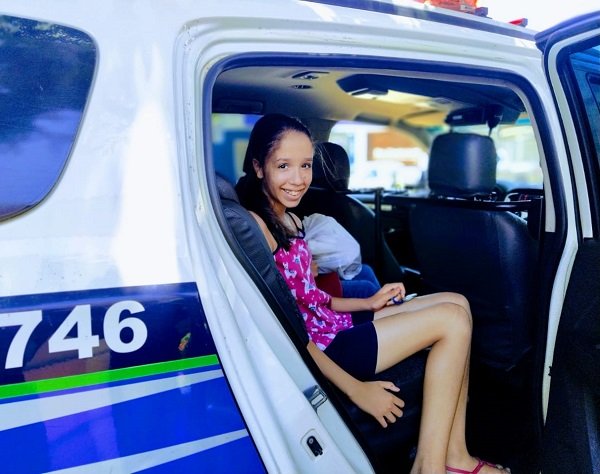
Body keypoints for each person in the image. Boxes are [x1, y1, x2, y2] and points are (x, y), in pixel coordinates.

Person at [235, 113, 509, 474]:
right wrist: (356, 390)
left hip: (330, 324)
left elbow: (312, 298)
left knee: (458, 303)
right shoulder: (258, 226)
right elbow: (289, 331)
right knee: (452, 321)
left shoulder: (290, 218)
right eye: (283, 166)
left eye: (306, 165)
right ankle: (429, 467)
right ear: (258, 167)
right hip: (324, 348)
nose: (298, 179)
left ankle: (455, 457)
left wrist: (369, 301)